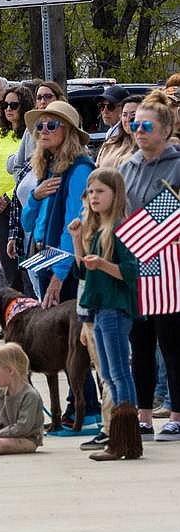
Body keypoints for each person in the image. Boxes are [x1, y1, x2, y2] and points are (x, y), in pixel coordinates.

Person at [68, 168, 142, 461]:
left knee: (119, 372)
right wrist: (77, 240)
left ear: (115, 194)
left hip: (114, 307)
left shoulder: (120, 229)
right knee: (109, 375)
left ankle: (126, 438)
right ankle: (119, 435)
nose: (94, 197)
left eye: (100, 192)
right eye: (91, 192)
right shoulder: (96, 230)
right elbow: (83, 270)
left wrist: (103, 264)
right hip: (98, 307)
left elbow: (131, 272)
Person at [119, 89, 180, 441]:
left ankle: (175, 414)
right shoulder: (126, 165)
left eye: (146, 125)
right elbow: (115, 213)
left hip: (171, 266)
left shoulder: (177, 164)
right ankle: (142, 415)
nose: (138, 130)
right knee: (139, 345)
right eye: (135, 124)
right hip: (133, 266)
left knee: (171, 345)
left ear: (165, 130)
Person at [20, 100, 95, 309]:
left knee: (65, 335)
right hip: (44, 256)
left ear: (68, 131)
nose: (43, 131)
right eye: (40, 126)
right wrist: (35, 196)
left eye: (51, 125)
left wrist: (59, 276)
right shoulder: (48, 166)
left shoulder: (80, 169)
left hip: (67, 265)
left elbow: (74, 225)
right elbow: (27, 224)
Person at [0, 85, 31, 293]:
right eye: (5, 105)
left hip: (20, 205)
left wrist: (8, 198)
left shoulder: (30, 135)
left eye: (14, 105)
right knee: (7, 265)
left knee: (25, 265)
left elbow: (27, 171)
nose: (8, 109)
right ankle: (15, 317)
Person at [96, 96, 140, 169]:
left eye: (133, 115)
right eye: (124, 115)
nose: (128, 119)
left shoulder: (147, 147)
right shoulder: (110, 143)